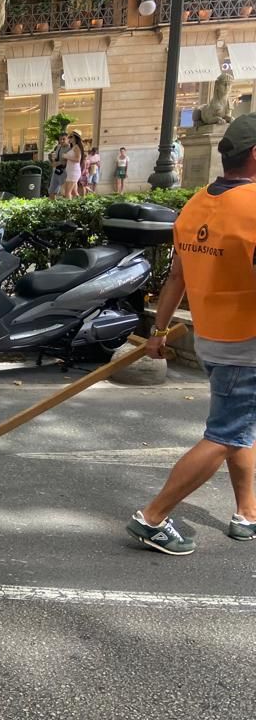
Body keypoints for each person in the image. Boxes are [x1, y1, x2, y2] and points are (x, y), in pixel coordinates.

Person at [127, 113, 256, 556]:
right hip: (247, 343)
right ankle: (153, 516)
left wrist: (157, 331)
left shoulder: (196, 204)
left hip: (212, 341)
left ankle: (247, 513)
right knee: (227, 432)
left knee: (237, 425)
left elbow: (176, 277)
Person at [62, 131, 84, 198]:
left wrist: (66, 156)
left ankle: (68, 207)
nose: (69, 138)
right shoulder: (73, 147)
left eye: (71, 137)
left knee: (67, 192)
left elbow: (78, 159)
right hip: (71, 171)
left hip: (73, 172)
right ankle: (82, 205)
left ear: (75, 138)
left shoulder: (76, 147)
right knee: (74, 193)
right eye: (69, 137)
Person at [47, 133, 69, 200]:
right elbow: (54, 161)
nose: (61, 141)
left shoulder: (70, 148)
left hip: (65, 172)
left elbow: (66, 162)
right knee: (51, 191)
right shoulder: (58, 147)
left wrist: (57, 163)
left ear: (68, 139)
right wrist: (51, 158)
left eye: (63, 139)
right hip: (56, 171)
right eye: (60, 139)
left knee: (66, 193)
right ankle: (54, 208)